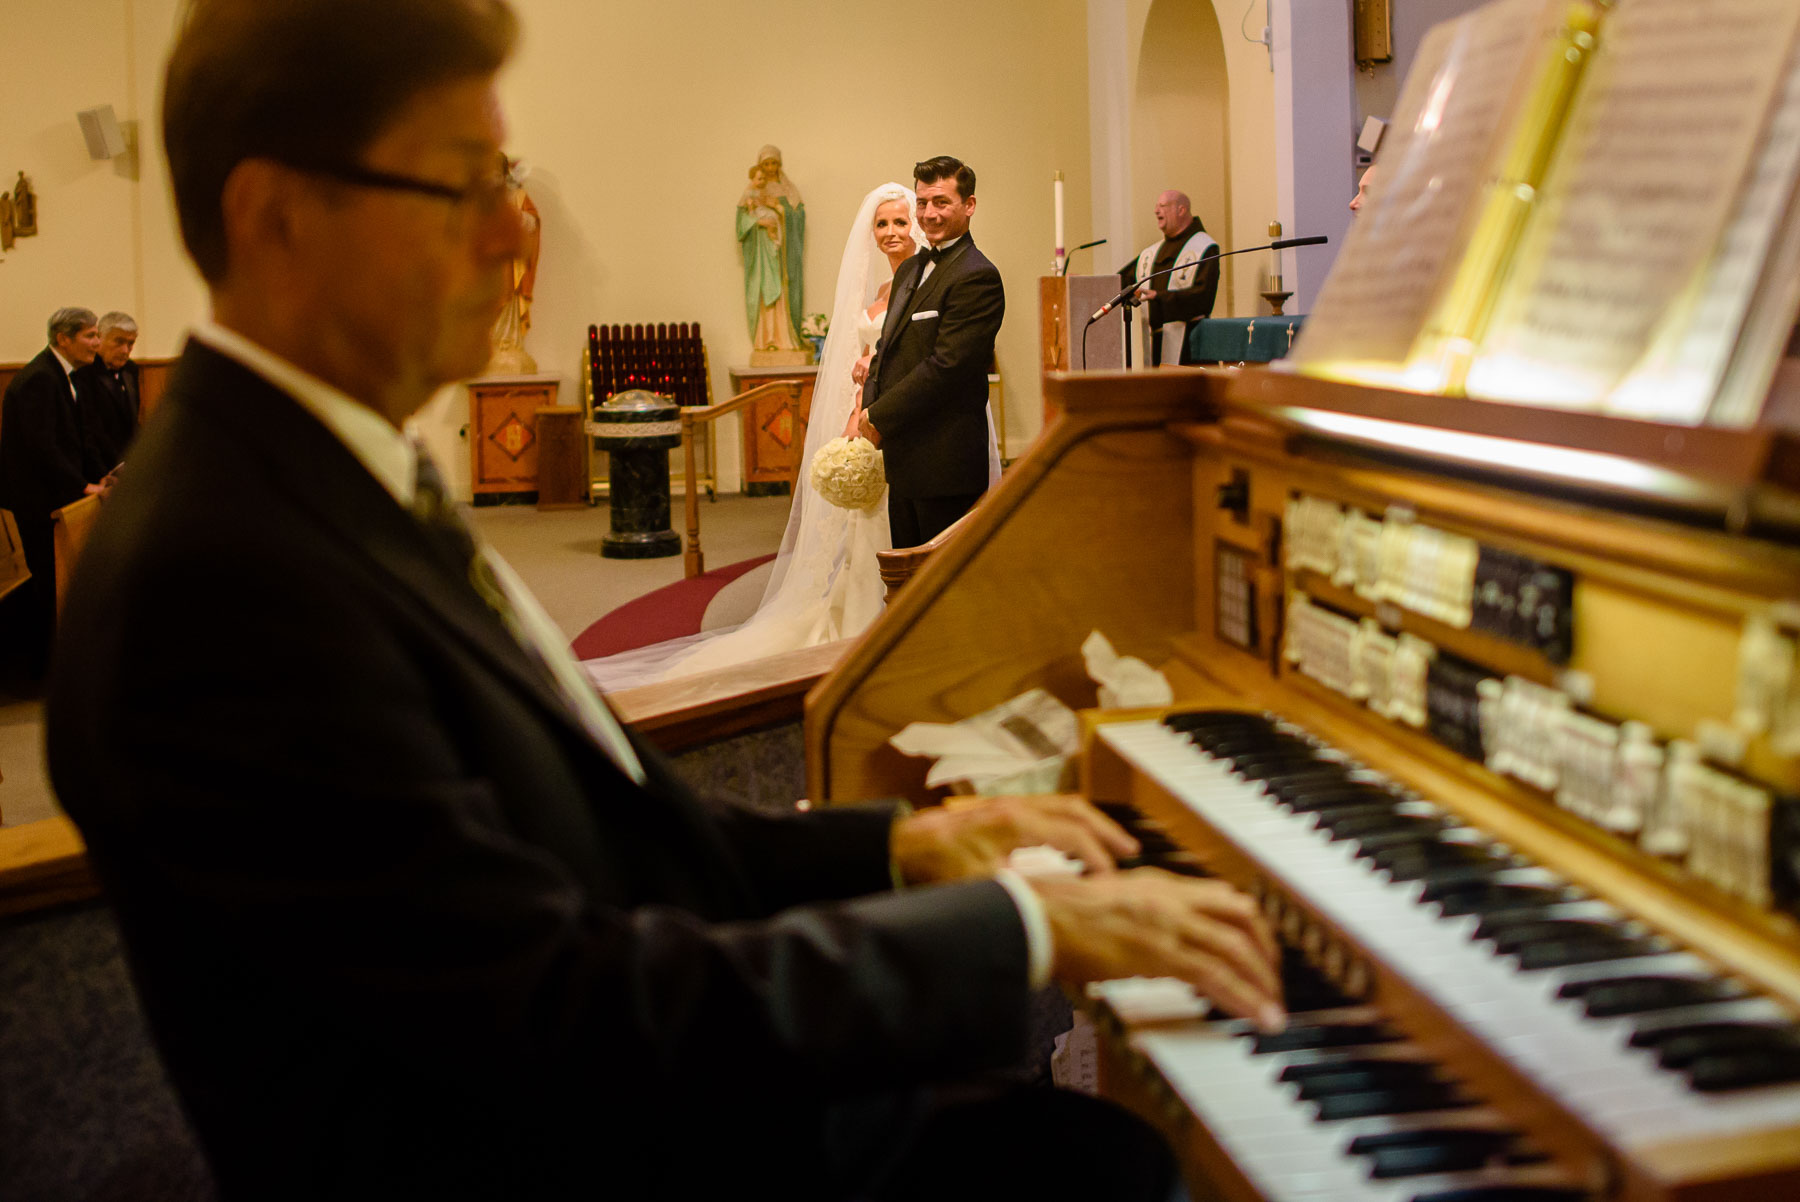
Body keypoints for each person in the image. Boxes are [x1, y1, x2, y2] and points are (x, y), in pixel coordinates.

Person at [46, 4, 1283, 1200]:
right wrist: (1017, 935)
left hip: (624, 1101)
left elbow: (608, 833)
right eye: (464, 187)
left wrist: (901, 845)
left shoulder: (326, 471)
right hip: (575, 1145)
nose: (509, 241)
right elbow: (563, 1009)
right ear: (276, 216)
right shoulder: (221, 575)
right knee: (1112, 1166)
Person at [859, 156, 1004, 548]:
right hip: (903, 455)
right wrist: (868, 407)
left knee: (941, 585)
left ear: (968, 205)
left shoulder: (977, 275)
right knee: (905, 575)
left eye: (941, 202)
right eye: (923, 203)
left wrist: (879, 414)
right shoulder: (909, 269)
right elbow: (886, 347)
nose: (930, 213)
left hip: (945, 460)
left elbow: (947, 366)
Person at [0, 306, 106, 674]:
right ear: (64, 339)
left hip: (60, 498)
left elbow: (79, 439)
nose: (98, 342)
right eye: (90, 335)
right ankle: (49, 673)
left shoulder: (67, 375)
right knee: (50, 585)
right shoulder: (39, 379)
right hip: (40, 504)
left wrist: (101, 476)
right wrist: (81, 485)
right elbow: (42, 447)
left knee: (63, 584)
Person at [1119, 190, 1220, 367]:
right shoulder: (1151, 253)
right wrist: (1089, 283)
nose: (1156, 211)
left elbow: (1203, 297)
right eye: (1156, 206)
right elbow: (1122, 280)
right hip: (1155, 342)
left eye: (1163, 206)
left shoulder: (1204, 248)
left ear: (1181, 210)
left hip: (1189, 346)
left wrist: (1159, 296)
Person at [72, 310, 143, 469]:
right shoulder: (84, 372)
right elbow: (90, 430)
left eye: (131, 343)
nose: (126, 350)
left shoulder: (130, 369)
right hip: (98, 466)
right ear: (99, 339)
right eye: (119, 341)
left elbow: (132, 420)